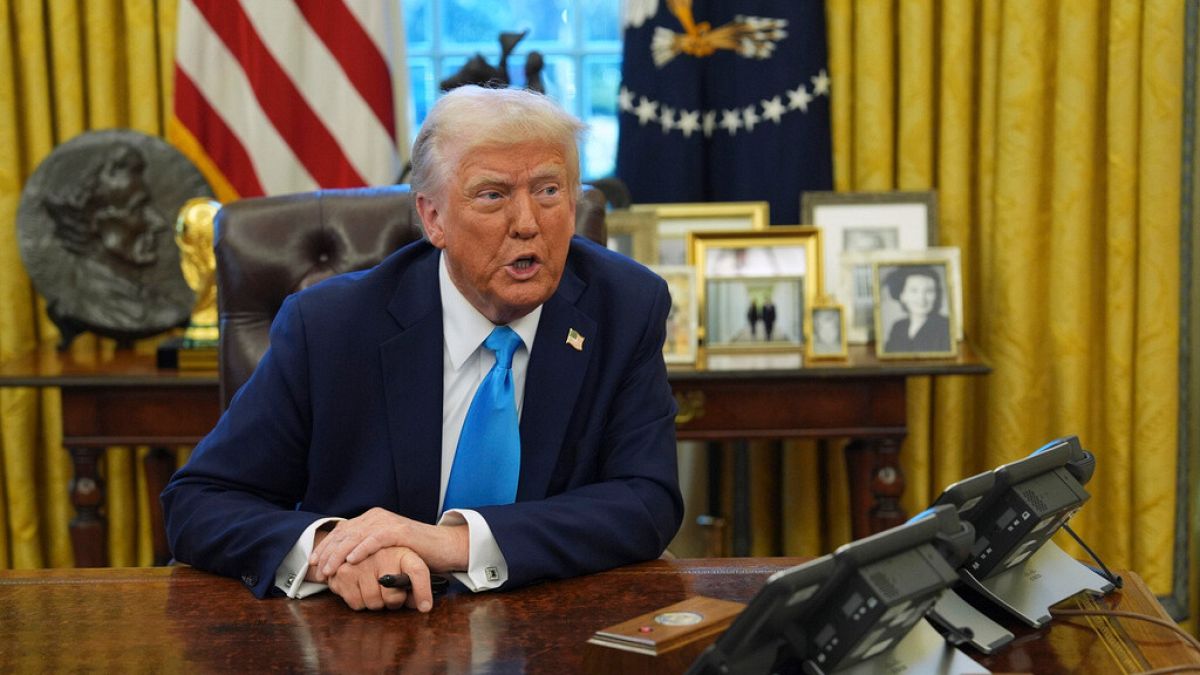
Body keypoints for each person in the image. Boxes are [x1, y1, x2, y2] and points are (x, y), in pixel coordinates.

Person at [161, 85, 684, 612]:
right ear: (433, 218)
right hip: (363, 633)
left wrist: (452, 543)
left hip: (551, 623)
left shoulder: (625, 307)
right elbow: (200, 501)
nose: (528, 223)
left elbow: (647, 500)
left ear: (573, 205)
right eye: (493, 195)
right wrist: (334, 553)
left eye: (548, 190)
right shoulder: (330, 327)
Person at [882, 265, 951, 353]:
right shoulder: (898, 327)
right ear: (902, 295)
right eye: (914, 291)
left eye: (929, 291)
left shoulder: (946, 326)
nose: (922, 298)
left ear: (937, 295)